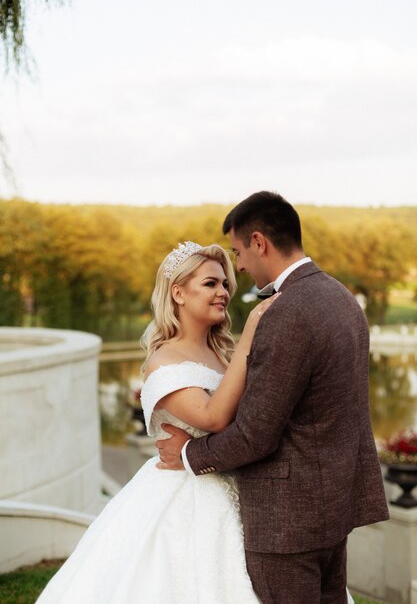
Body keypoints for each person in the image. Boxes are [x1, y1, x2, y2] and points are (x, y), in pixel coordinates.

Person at [157, 192, 389, 604]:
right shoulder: (341, 299)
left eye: (238, 253)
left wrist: (189, 454)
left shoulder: (285, 312)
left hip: (287, 521)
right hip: (333, 509)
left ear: (260, 242)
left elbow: (255, 434)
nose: (239, 268)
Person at [35, 242, 277, 604]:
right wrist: (250, 337)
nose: (224, 292)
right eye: (210, 283)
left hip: (234, 487)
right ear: (178, 292)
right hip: (185, 497)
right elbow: (213, 417)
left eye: (225, 284)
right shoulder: (164, 361)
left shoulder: (220, 352)